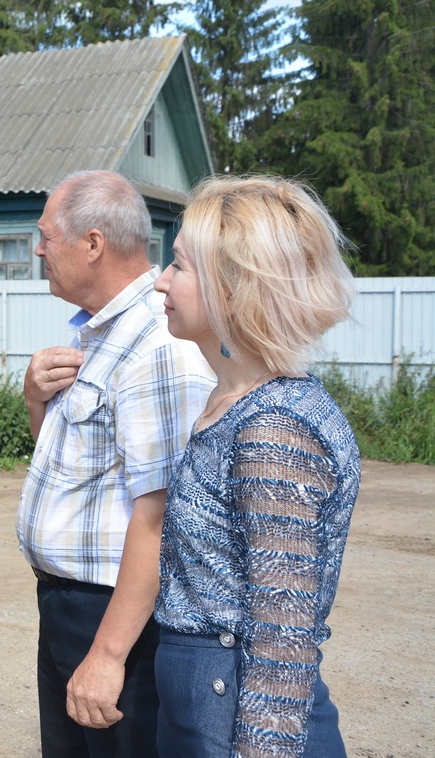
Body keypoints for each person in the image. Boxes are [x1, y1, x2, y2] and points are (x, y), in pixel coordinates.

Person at [152, 175, 358, 757]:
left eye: (179, 267)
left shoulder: (275, 430)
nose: (161, 282)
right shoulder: (234, 402)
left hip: (236, 711)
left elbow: (282, 633)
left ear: (232, 289)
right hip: (204, 700)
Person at [17, 170, 215, 757]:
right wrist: (35, 400)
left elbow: (162, 521)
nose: (39, 249)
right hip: (68, 606)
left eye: (46, 236)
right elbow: (73, 474)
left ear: (93, 244)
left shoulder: (158, 347)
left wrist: (107, 655)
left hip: (114, 618)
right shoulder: (101, 335)